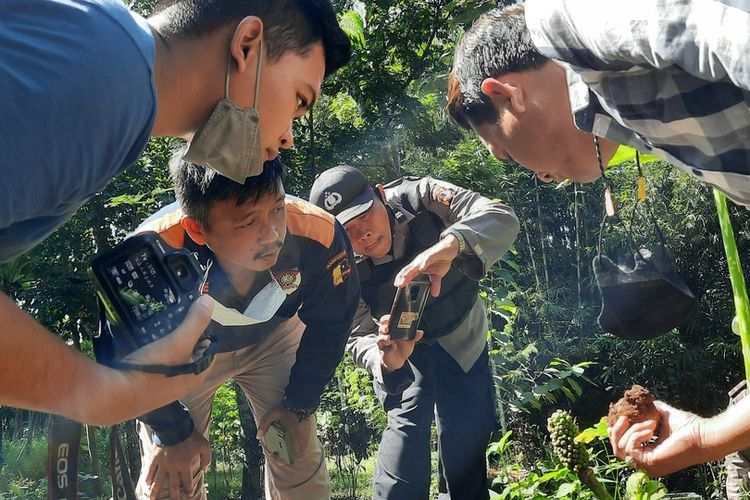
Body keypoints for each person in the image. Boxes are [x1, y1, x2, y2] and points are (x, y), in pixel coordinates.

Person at [0, 0, 350, 424]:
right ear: (247, 46)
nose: (289, 136)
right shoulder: (107, 77)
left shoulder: (112, 68)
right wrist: (97, 393)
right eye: (299, 99)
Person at [447, 0, 750, 479]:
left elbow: (722, 29)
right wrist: (709, 435)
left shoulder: (571, 21)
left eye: (503, 152)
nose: (537, 176)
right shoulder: (637, 126)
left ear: (507, 96)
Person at [118, 153, 359, 499]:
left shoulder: (317, 232)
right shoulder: (146, 256)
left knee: (297, 450)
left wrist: (299, 403)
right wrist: (170, 430)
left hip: (275, 336)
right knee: (172, 475)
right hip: (182, 355)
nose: (272, 234)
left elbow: (332, 323)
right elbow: (129, 355)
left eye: (277, 209)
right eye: (248, 222)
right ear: (197, 229)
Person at [310, 166, 519, 499]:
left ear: (380, 193)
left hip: (460, 331)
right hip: (402, 349)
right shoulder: (338, 265)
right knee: (406, 432)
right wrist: (382, 357)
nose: (362, 234)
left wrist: (452, 244)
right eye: (346, 229)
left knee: (467, 433)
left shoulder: (421, 196)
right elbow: (354, 333)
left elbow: (499, 215)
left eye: (365, 215)